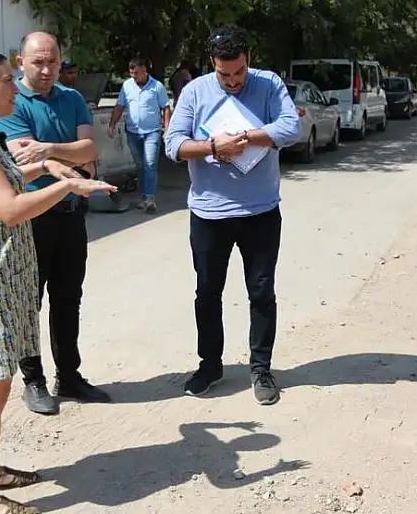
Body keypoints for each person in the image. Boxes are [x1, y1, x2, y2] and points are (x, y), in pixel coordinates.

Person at [0, 49, 116, 514]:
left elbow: (11, 177)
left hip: (3, 275)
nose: (15, 88)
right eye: (6, 80)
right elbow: (10, 207)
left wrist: (47, 167)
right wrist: (70, 185)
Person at [163, 24, 300, 405]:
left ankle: (261, 369)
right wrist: (211, 146)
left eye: (239, 72)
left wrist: (246, 138)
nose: (233, 81)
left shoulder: (269, 84)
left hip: (260, 212)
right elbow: (173, 145)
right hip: (209, 214)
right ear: (213, 64)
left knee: (261, 292)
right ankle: (210, 366)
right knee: (207, 292)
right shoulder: (194, 90)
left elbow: (291, 128)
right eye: (225, 74)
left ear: (249, 60)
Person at [0, 32, 110, 415]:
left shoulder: (72, 98)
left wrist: (51, 149)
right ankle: (34, 380)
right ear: (20, 62)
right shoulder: (14, 104)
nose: (46, 69)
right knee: (31, 302)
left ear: (62, 62)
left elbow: (91, 149)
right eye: (38, 62)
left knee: (68, 298)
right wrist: (66, 157)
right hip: (33, 217)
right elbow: (24, 157)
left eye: (53, 62)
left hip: (71, 215)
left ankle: (69, 376)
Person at [108, 57, 171, 213]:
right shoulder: (127, 86)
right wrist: (112, 124)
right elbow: (120, 105)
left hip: (152, 132)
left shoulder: (157, 86)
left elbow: (166, 107)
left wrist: (167, 128)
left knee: (150, 164)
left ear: (144, 70)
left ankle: (150, 198)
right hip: (133, 132)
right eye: (131, 73)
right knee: (140, 165)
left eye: (136, 73)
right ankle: (144, 197)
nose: (133, 76)